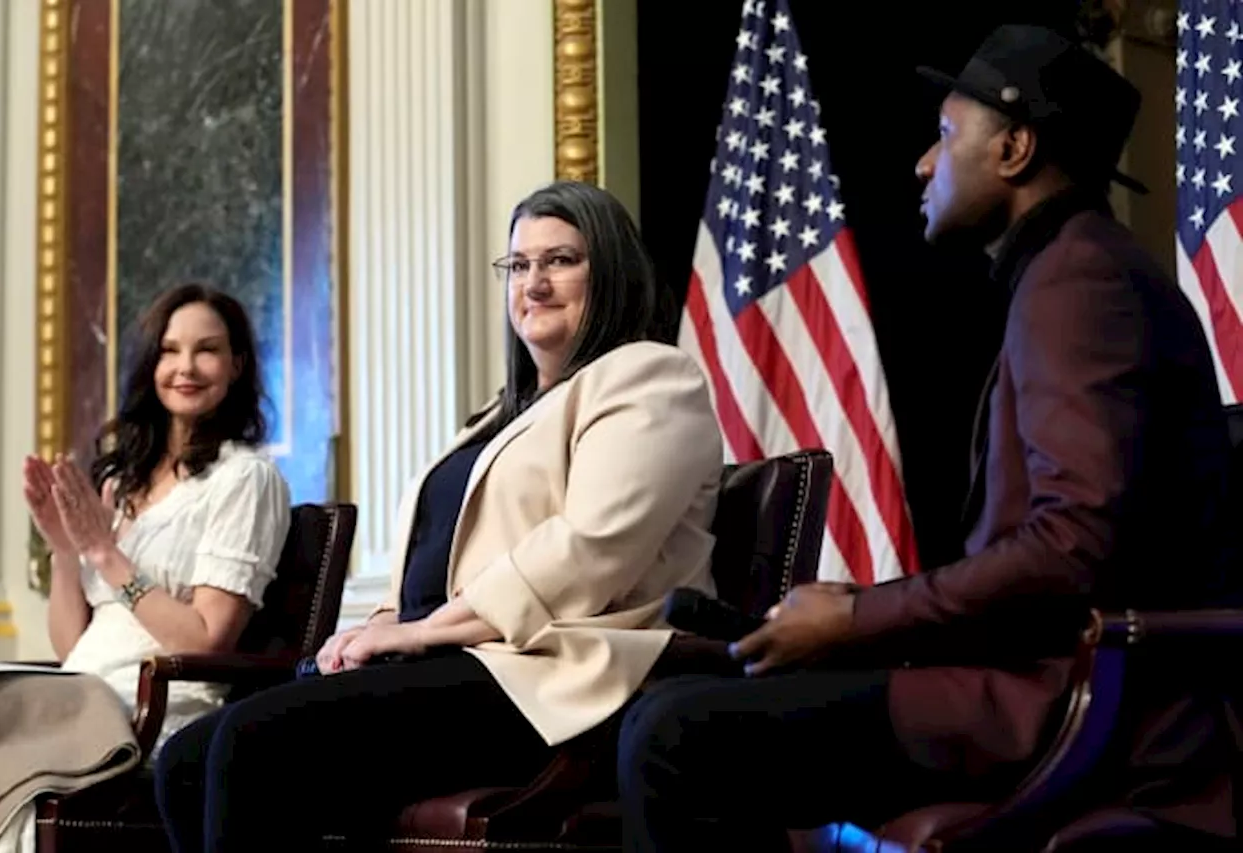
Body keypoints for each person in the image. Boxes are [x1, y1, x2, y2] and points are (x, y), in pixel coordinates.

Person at [616, 24, 1241, 852]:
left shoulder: (1079, 282)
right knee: (681, 696)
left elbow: (1071, 545)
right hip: (1025, 674)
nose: (922, 163)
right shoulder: (1071, 269)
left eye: (946, 136)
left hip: (1065, 702)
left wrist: (859, 618)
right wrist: (853, 615)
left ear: (1014, 148)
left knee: (671, 738)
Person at [151, 180, 725, 852]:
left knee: (250, 744)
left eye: (561, 260)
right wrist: (383, 624)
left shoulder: (651, 378)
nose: (533, 282)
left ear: (614, 272)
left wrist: (419, 633)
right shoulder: (498, 415)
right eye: (519, 264)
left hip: (555, 676)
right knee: (185, 761)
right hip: (460, 663)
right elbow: (441, 556)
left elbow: (587, 553)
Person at [0, 283, 291, 853]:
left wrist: (107, 555)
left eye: (207, 350)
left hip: (150, 706)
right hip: (82, 687)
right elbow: (74, 642)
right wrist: (66, 551)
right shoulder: (122, 483)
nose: (186, 367)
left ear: (237, 365)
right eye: (170, 350)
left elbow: (209, 638)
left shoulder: (245, 478)